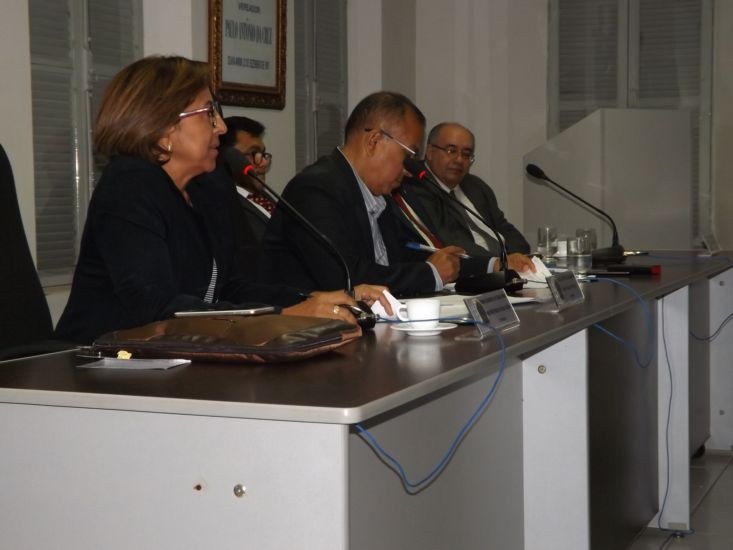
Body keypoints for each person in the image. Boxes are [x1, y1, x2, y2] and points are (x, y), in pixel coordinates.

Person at [54, 55, 389, 344]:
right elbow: (156, 308)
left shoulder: (209, 187)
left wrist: (316, 300)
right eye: (208, 112)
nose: (221, 126)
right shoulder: (128, 187)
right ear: (163, 127)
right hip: (99, 364)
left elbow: (232, 288)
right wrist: (288, 315)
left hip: (182, 356)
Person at [260, 91, 466, 296]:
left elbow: (398, 259)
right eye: (408, 155)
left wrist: (447, 264)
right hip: (314, 316)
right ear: (374, 141)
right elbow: (346, 278)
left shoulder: (379, 193)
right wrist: (430, 273)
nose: (410, 170)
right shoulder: (314, 189)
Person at [398, 122, 534, 274]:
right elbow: (451, 242)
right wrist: (498, 263)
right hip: (474, 273)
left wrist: (517, 259)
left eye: (466, 154)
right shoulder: (418, 186)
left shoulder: (476, 186)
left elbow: (508, 232)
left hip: (507, 271)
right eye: (451, 150)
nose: (459, 160)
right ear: (430, 152)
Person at [218, 116, 275, 241]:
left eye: (263, 154)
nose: (263, 162)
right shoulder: (223, 205)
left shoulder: (268, 198)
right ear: (228, 157)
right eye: (254, 153)